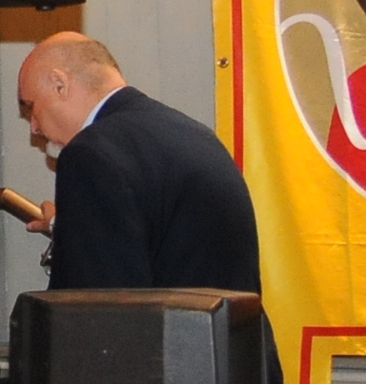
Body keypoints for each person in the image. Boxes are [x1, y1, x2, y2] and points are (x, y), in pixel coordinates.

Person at [16, 33, 265, 294]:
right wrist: (69, 224)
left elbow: (95, 302)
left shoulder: (91, 154)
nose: (34, 127)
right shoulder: (193, 134)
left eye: (32, 107)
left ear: (59, 85)